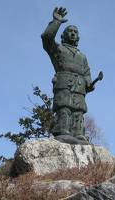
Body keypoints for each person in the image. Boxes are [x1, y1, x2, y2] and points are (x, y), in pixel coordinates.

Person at [41, 7, 95, 144]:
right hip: (64, 83)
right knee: (64, 107)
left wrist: (89, 82)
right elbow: (47, 38)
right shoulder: (58, 49)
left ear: (78, 37)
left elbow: (87, 72)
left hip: (79, 86)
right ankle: (62, 131)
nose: (72, 33)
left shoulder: (82, 56)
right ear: (63, 35)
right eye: (70, 31)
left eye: (75, 32)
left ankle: (78, 134)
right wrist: (56, 22)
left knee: (78, 110)